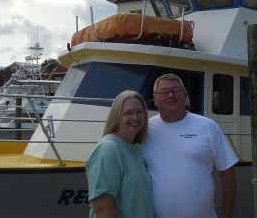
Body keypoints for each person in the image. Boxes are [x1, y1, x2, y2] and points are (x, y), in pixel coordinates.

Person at [141, 73, 239, 218]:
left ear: (185, 95)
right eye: (164, 91)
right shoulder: (144, 130)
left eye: (176, 90)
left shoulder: (208, 126)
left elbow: (227, 172)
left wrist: (227, 215)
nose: (170, 95)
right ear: (155, 98)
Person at [86, 90, 154, 218]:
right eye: (129, 113)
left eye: (139, 112)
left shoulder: (134, 148)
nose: (135, 117)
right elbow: (102, 208)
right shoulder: (108, 149)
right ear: (117, 116)